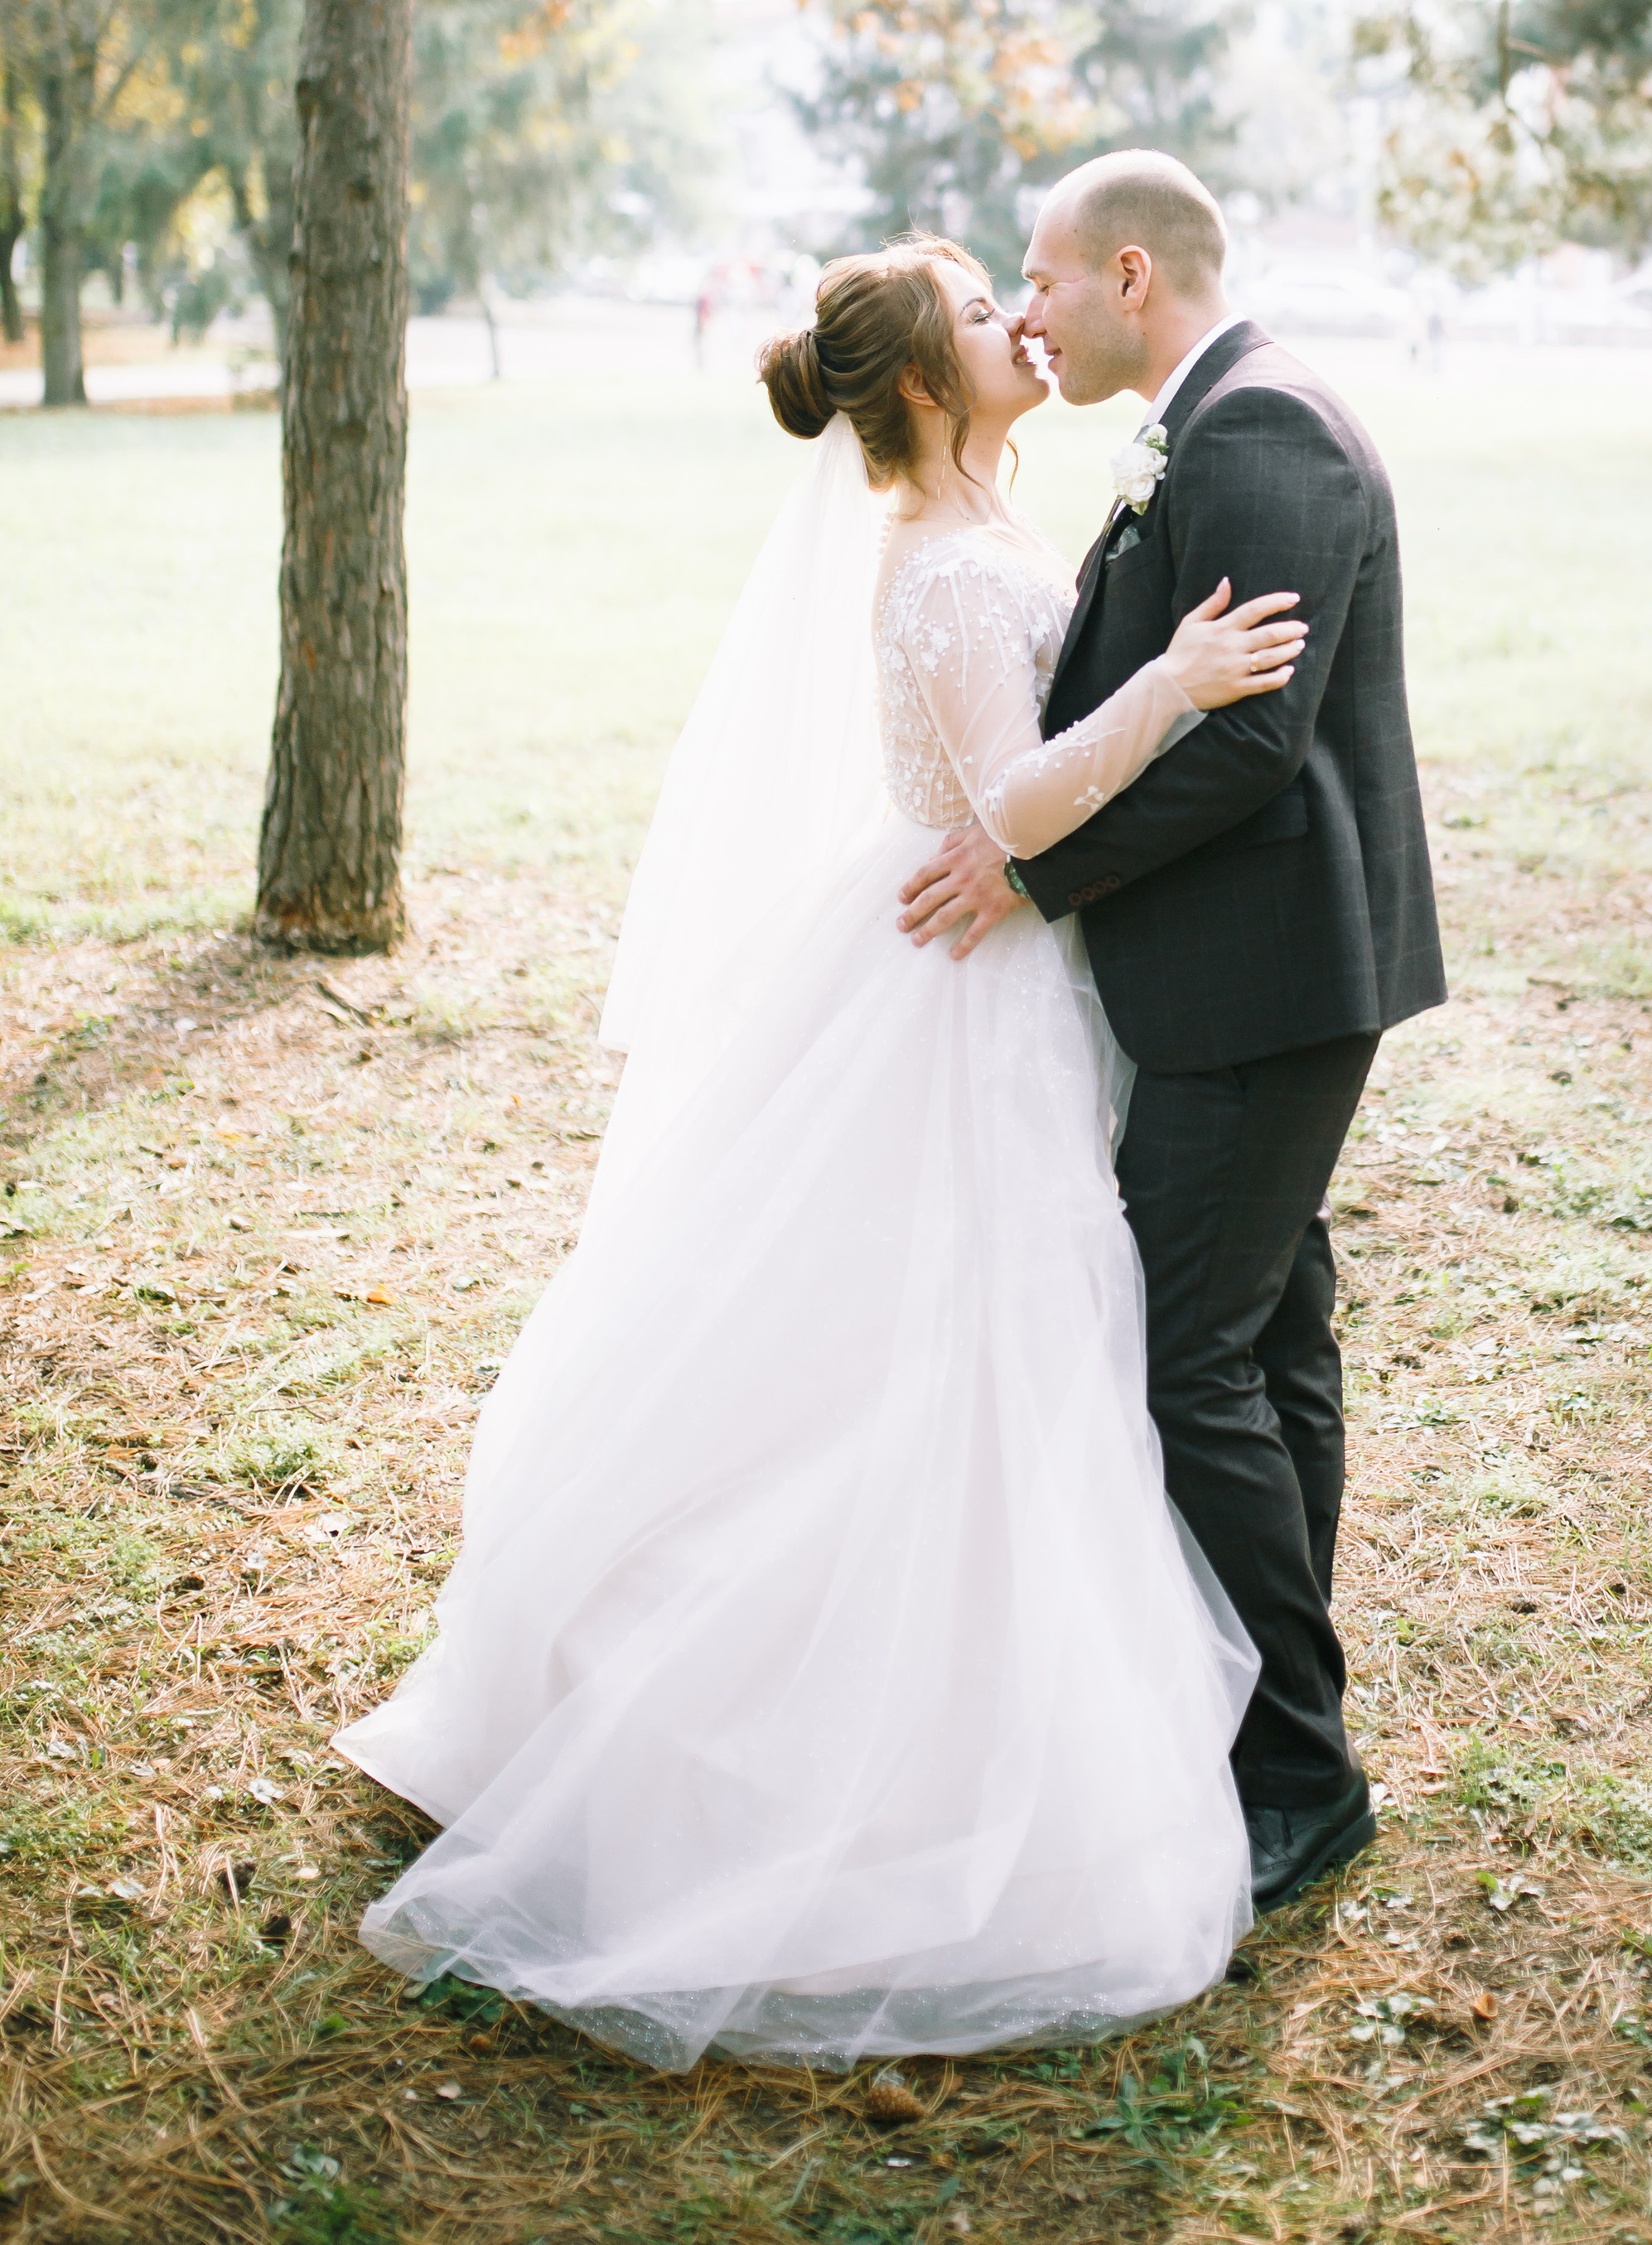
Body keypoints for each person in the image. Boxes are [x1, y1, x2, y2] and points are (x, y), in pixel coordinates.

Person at [333, 235, 1311, 2072]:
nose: (1017, 320)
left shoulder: (991, 518)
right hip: (952, 999)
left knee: (1015, 1344)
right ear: (927, 385)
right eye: (976, 309)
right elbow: (1013, 803)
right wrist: (1176, 681)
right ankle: (844, 1767)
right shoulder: (939, 572)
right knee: (943, 1355)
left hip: (996, 975)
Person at [898, 152, 1445, 1914]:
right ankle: (1266, 1704)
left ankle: (1292, 1768)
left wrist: (1027, 874)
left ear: (1130, 274)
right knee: (1268, 1336)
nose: (1029, 312)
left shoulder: (1255, 432)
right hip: (1252, 972)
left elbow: (1246, 745)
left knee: (1184, 1356)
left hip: (1262, 977)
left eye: (1043, 283)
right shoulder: (1212, 422)